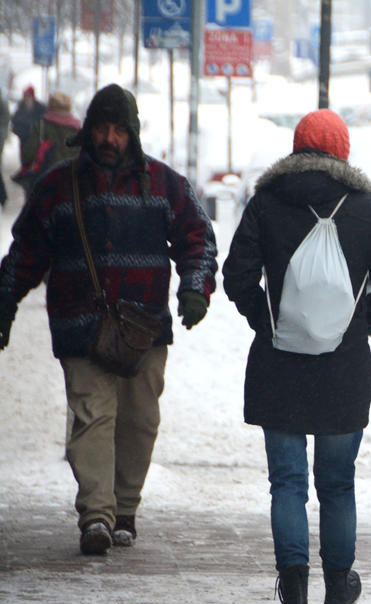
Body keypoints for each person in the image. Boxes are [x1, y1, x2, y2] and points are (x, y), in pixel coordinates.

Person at [0, 83, 218, 556]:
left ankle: (124, 510)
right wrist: (5, 301)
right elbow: (27, 252)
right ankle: (96, 517)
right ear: (88, 131)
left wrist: (195, 288)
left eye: (119, 130)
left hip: (142, 328)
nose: (109, 138)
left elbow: (197, 237)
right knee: (92, 418)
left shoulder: (164, 185)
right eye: (102, 127)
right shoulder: (59, 186)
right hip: (79, 322)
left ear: (133, 134)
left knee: (139, 420)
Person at [222, 109, 371, 604]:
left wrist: (268, 320)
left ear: (297, 148)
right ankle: (338, 589)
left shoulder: (267, 202)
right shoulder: (369, 209)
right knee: (337, 484)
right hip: (343, 368)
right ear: (343, 151)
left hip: (279, 362)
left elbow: (237, 274)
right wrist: (358, 325)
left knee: (286, 483)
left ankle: (294, 596)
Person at [12, 91, 81, 194]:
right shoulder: (77, 128)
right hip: (70, 180)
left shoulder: (42, 125)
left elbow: (30, 153)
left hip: (45, 180)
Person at [12, 85, 46, 168]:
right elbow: (15, 118)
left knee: (34, 154)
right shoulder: (21, 106)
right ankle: (24, 169)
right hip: (23, 135)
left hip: (36, 136)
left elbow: (42, 120)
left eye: (29, 96)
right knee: (24, 154)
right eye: (25, 96)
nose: (27, 98)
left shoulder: (40, 107)